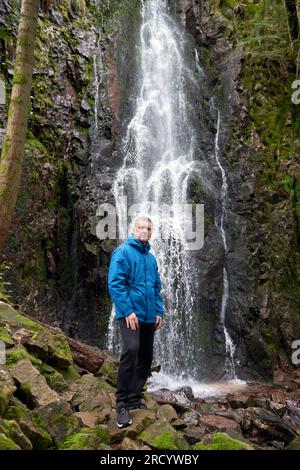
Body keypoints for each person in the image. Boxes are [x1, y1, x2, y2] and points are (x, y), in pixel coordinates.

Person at [108, 216, 164, 428]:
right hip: (130, 315)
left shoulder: (151, 258)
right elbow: (115, 284)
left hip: (150, 316)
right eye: (141, 227)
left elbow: (156, 288)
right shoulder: (122, 252)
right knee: (131, 351)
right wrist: (128, 311)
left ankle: (134, 397)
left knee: (146, 356)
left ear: (151, 233)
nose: (144, 231)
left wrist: (159, 311)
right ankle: (121, 403)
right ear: (134, 229)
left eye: (148, 228)